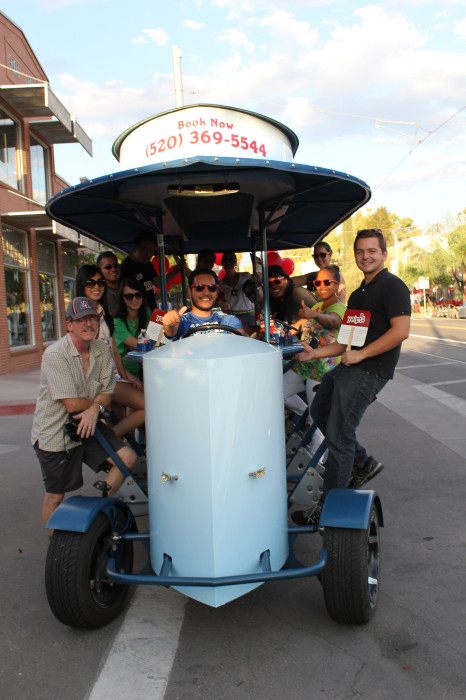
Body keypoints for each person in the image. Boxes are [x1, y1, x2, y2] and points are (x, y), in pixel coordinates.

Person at [292, 229, 411, 526]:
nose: (366, 256)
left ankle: (329, 510)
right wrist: (314, 354)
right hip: (349, 366)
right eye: (360, 252)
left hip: (370, 370)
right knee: (319, 411)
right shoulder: (358, 294)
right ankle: (363, 462)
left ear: (384, 254)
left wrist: (362, 354)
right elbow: (346, 341)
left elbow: (400, 331)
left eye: (372, 251)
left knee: (340, 435)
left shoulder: (392, 286)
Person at [31, 297, 136, 529]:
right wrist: (96, 406)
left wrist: (96, 408)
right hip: (56, 432)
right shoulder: (55, 354)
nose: (88, 324)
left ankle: (101, 511)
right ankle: (59, 551)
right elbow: (71, 404)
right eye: (81, 320)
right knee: (56, 496)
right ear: (70, 325)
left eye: (92, 319)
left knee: (127, 458)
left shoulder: (101, 349)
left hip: (88, 425)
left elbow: (108, 393)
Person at [75, 265, 145, 439]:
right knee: (148, 407)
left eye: (100, 282)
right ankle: (111, 439)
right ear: (81, 285)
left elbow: (114, 350)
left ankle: (115, 447)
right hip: (98, 380)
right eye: (90, 283)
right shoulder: (81, 316)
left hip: (112, 375)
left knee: (126, 423)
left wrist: (125, 376)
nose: (96, 286)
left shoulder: (102, 311)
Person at [283, 265, 346, 420]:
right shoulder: (318, 306)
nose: (321, 287)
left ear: (336, 285)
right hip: (306, 363)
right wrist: (279, 331)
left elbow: (333, 321)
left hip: (323, 368)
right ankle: (304, 414)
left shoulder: (340, 308)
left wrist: (314, 315)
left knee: (316, 415)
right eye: (318, 283)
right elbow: (302, 323)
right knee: (277, 392)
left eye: (327, 282)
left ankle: (316, 439)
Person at [163, 268, 246, 341]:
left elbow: (240, 337)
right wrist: (170, 325)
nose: (206, 292)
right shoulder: (181, 321)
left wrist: (242, 338)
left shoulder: (229, 320)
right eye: (199, 287)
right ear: (190, 292)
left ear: (217, 292)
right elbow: (171, 332)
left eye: (211, 287)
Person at [119, 231, 183, 310]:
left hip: (152, 310)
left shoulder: (148, 264)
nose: (147, 254)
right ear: (135, 248)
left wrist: (176, 270)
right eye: (144, 249)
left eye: (151, 251)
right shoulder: (125, 268)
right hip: (137, 315)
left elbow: (159, 283)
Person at [113, 278, 152, 379]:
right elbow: (141, 345)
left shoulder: (147, 313)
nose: (134, 300)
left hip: (145, 369)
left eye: (138, 295)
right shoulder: (117, 322)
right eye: (129, 296)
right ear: (122, 298)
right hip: (124, 374)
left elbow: (155, 337)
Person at [218, 251, 258, 332]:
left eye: (231, 260)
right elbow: (220, 301)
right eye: (225, 260)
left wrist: (257, 279)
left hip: (250, 314)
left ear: (235, 262)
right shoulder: (220, 284)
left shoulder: (246, 276)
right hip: (233, 316)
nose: (228, 263)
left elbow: (256, 291)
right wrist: (222, 305)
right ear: (222, 263)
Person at [97, 251, 120, 316]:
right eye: (108, 267)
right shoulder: (102, 294)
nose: (113, 269)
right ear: (100, 270)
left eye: (116, 266)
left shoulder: (125, 288)